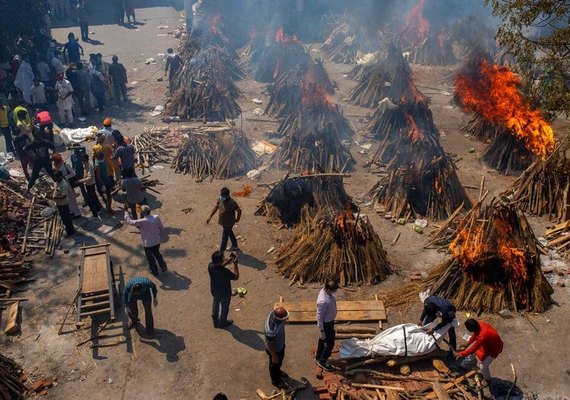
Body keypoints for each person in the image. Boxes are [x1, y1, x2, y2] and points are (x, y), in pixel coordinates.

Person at [123, 204, 168, 276]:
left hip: (147, 244)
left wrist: (126, 212)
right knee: (157, 253)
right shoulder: (156, 217)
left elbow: (130, 221)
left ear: (143, 213)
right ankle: (163, 266)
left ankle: (154, 271)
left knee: (150, 258)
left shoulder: (142, 221)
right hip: (156, 241)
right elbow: (161, 228)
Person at [455, 319, 503, 384]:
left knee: (483, 367)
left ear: (471, 329)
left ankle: (488, 380)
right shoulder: (480, 324)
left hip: (493, 349)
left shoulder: (482, 336)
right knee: (471, 354)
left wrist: (461, 354)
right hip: (486, 344)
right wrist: (467, 344)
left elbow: (472, 349)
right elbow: (475, 335)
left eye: (468, 329)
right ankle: (463, 365)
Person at [208, 251, 239, 329]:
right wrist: (235, 264)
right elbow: (236, 277)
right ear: (220, 261)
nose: (224, 259)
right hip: (225, 293)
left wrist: (227, 262)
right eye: (223, 259)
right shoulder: (225, 272)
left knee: (215, 302)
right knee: (225, 308)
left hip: (215, 291)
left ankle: (215, 319)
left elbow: (219, 266)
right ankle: (223, 322)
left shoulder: (210, 266)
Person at [206, 187, 242, 253]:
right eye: (221, 195)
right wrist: (210, 217)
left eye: (223, 195)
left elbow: (239, 211)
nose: (222, 197)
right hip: (223, 222)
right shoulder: (220, 199)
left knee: (224, 238)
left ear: (228, 195)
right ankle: (235, 246)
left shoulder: (232, 203)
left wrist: (237, 219)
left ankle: (221, 253)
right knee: (230, 232)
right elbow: (216, 208)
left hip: (229, 223)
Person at [264, 307, 289, 389]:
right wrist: (274, 355)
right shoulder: (271, 330)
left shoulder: (273, 314)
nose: (287, 319)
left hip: (280, 345)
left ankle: (278, 371)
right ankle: (276, 381)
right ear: (279, 319)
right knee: (274, 364)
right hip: (274, 350)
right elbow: (270, 343)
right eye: (285, 318)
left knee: (279, 361)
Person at [315, 280, 338, 372]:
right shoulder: (323, 301)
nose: (335, 292)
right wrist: (321, 330)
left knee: (322, 339)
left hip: (330, 321)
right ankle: (322, 361)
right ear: (328, 290)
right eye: (334, 290)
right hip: (326, 324)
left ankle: (318, 355)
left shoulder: (326, 292)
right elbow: (319, 317)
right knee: (330, 343)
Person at [52, 153, 82, 218]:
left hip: (68, 183)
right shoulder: (55, 165)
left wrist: (65, 177)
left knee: (72, 198)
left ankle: (77, 213)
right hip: (60, 183)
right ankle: (71, 212)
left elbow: (73, 173)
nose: (55, 162)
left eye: (56, 160)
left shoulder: (65, 164)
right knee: (66, 199)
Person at [51, 171, 75, 237]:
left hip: (63, 204)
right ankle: (70, 229)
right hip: (59, 204)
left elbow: (64, 196)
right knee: (65, 218)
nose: (55, 178)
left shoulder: (64, 184)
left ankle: (70, 232)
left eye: (57, 177)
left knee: (66, 218)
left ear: (60, 176)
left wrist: (55, 197)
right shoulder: (58, 182)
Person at [77, 153, 102, 218]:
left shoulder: (89, 166)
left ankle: (95, 214)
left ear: (86, 159)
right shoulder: (85, 165)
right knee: (94, 197)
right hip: (88, 184)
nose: (82, 161)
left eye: (83, 159)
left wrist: (80, 181)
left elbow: (89, 177)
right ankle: (98, 209)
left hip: (90, 184)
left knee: (91, 199)